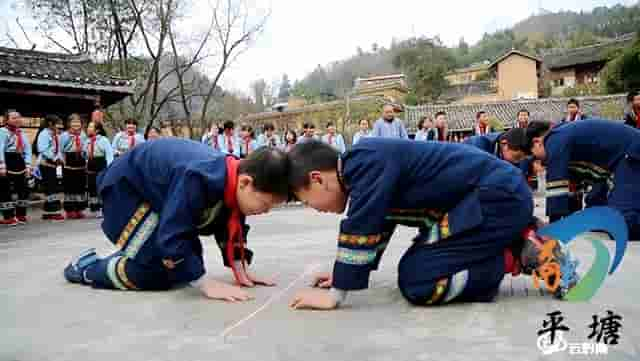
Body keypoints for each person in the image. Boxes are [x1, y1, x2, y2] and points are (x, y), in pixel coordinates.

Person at [286, 139, 580, 311]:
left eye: (308, 201)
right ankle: (519, 237)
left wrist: (335, 295)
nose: (316, 209)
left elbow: (361, 224)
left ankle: (517, 250)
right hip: (491, 198)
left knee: (419, 282)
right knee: (418, 270)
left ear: (317, 179)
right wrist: (341, 274)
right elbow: (377, 222)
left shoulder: (363, 163)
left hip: (496, 199)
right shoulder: (364, 163)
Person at [63, 139, 289, 301]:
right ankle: (86, 269)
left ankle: (136, 252)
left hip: (156, 195)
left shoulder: (231, 176)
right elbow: (173, 234)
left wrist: (240, 267)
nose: (266, 211)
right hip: (125, 190)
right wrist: (205, 284)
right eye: (265, 204)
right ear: (246, 183)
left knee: (185, 263)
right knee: (156, 273)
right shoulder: (199, 176)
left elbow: (230, 222)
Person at [524, 120, 640, 239]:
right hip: (618, 161)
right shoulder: (564, 137)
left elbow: (557, 185)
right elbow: (573, 184)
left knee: (623, 226)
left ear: (537, 142)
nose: (540, 162)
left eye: (535, 156)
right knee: (594, 216)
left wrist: (554, 226)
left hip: (632, 152)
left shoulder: (554, 141)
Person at [0, 110, 32, 226]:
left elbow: (27, 149)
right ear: (6, 120)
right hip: (7, 159)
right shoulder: (2, 132)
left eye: (18, 117)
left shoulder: (21, 133)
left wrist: (28, 165)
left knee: (23, 188)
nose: (17, 119)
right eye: (13, 118)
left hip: (20, 161)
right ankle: (8, 216)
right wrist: (2, 165)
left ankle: (21, 215)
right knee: (5, 188)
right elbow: (0, 148)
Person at [61, 114, 88, 219]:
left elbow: (85, 147)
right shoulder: (64, 135)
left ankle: (79, 209)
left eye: (78, 122)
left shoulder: (83, 135)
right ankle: (70, 210)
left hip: (80, 161)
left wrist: (86, 160)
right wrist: (63, 162)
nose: (76, 124)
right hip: (69, 161)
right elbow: (61, 150)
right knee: (70, 186)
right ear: (69, 124)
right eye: (73, 122)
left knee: (80, 185)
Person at [85, 121, 114, 218]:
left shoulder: (104, 140)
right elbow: (84, 153)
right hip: (91, 166)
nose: (88, 128)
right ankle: (95, 208)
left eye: (90, 127)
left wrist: (109, 167)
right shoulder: (87, 140)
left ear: (97, 130)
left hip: (101, 165)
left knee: (101, 187)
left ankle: (103, 208)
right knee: (92, 187)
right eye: (88, 126)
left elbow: (109, 154)